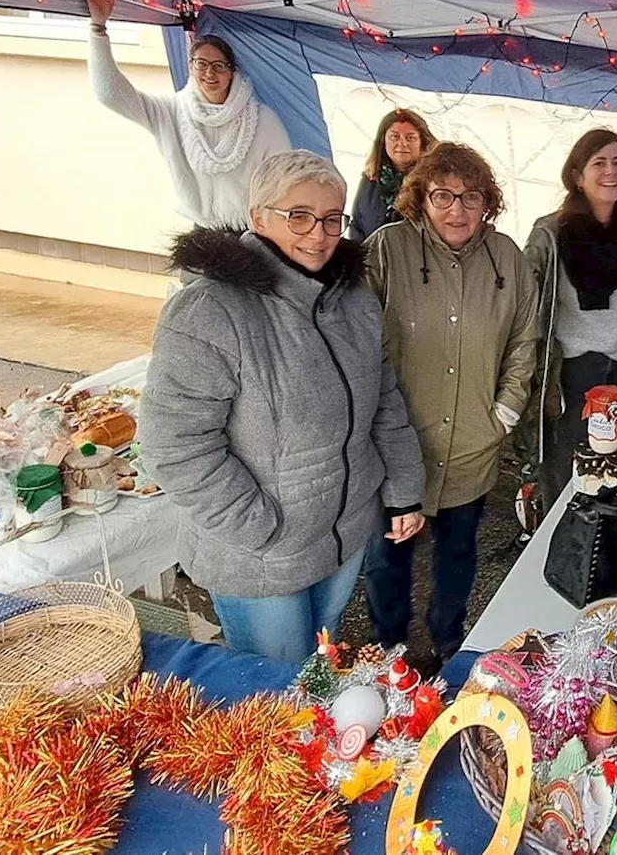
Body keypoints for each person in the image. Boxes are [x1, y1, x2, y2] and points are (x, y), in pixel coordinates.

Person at [140, 150, 425, 663]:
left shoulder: (353, 298)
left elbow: (384, 399)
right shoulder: (212, 310)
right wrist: (261, 529)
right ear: (258, 217)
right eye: (298, 216)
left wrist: (404, 491)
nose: (317, 234)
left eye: (332, 219)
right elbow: (173, 445)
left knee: (319, 659)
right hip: (264, 553)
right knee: (276, 687)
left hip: (344, 531)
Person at [362, 142, 538, 663]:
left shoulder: (507, 258)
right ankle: (386, 651)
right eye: (443, 195)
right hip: (397, 448)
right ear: (421, 198)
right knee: (386, 557)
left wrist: (503, 412)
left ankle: (446, 642)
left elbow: (526, 340)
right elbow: (357, 338)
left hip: (472, 444)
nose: (457, 209)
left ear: (488, 202)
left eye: (471, 196)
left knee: (458, 555)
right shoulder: (386, 250)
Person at [522, 129, 617, 507]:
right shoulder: (550, 233)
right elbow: (526, 308)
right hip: (571, 375)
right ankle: (561, 556)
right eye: (599, 163)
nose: (611, 172)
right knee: (568, 481)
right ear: (578, 176)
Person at [85, 0, 291, 229]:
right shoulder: (170, 111)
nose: (209, 73)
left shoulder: (263, 121)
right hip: (199, 237)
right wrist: (97, 29)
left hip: (252, 235)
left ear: (233, 71)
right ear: (190, 67)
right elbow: (111, 95)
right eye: (200, 64)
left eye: (218, 66)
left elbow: (283, 182)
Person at [349, 109, 437, 241]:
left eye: (410, 138)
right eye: (395, 137)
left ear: (422, 143)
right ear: (383, 141)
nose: (402, 143)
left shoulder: (433, 182)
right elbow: (357, 225)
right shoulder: (370, 180)